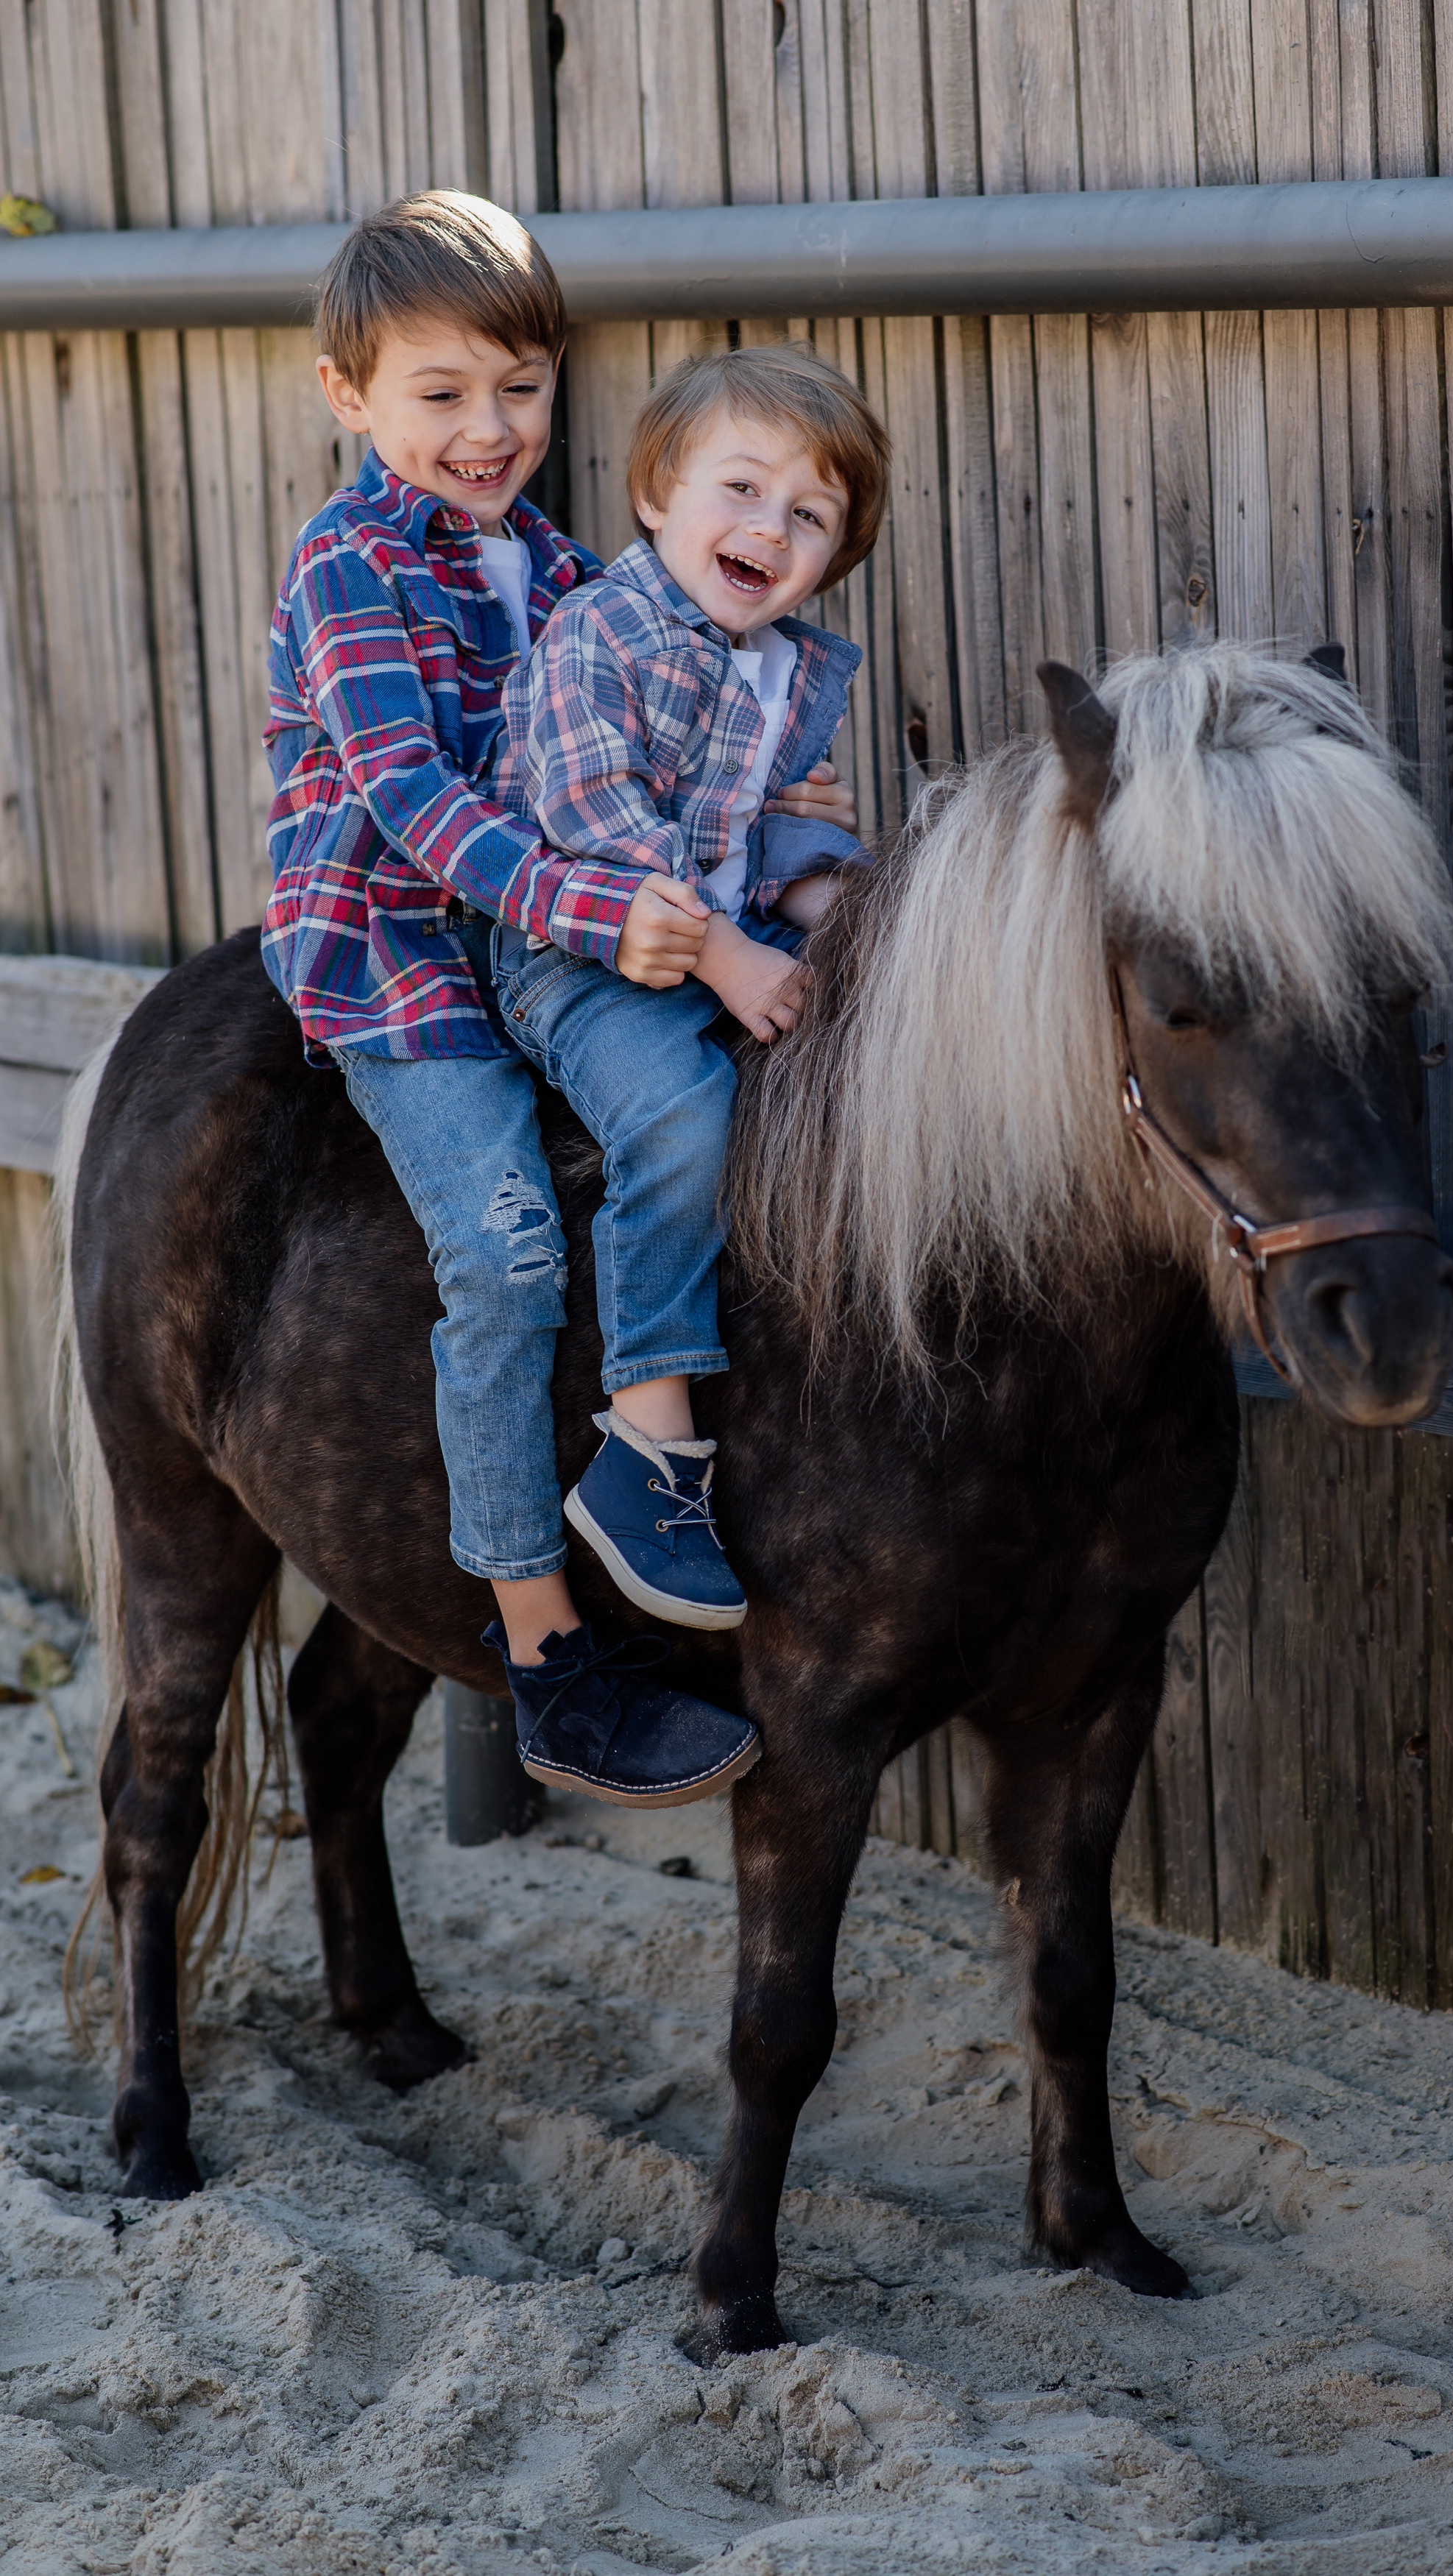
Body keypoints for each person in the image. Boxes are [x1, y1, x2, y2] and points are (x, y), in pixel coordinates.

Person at [262, 193, 844, 1806]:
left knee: (729, 1135)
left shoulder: (576, 567)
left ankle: (667, 1451)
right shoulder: (346, 571)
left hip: (556, 952)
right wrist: (621, 915)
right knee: (509, 1249)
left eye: (517, 388)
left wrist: (794, 871)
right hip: (397, 963)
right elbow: (419, 810)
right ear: (350, 396)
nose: (488, 428)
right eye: (439, 394)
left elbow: (665, 775)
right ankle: (545, 1650)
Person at [483, 344, 891, 1765]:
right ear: (659, 495)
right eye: (740, 489)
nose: (770, 531)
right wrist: (726, 951)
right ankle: (647, 1442)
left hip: (707, 932)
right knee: (680, 1116)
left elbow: (774, 832)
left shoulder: (778, 673)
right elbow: (588, 811)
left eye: (812, 518)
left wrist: (835, 907)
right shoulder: (602, 635)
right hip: (578, 951)